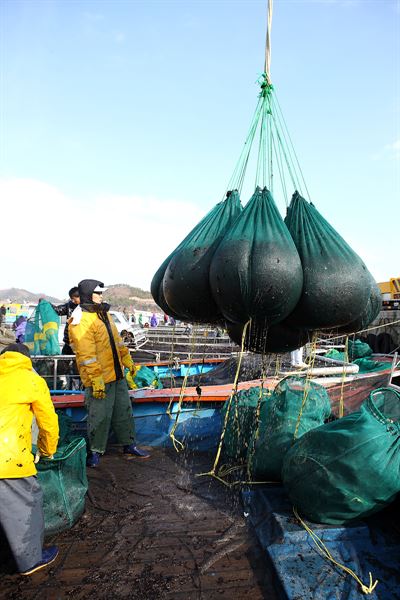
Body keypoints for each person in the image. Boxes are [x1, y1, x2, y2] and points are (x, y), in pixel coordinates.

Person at [68, 279, 150, 468]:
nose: (101, 297)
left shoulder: (104, 314)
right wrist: (96, 380)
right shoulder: (80, 321)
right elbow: (86, 355)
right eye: (98, 294)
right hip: (99, 379)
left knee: (124, 411)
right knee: (99, 415)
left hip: (117, 374)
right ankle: (96, 451)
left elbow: (117, 341)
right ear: (89, 295)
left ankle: (129, 444)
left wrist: (126, 359)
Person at [0, 343, 59, 575]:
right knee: (27, 503)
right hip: (9, 459)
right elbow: (48, 423)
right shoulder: (31, 380)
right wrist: (46, 450)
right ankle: (30, 560)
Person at [52, 287, 80, 355]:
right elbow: (58, 310)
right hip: (68, 341)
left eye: (74, 299)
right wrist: (47, 304)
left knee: (76, 362)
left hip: (80, 342)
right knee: (63, 361)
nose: (73, 301)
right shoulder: (69, 306)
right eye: (71, 299)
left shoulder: (86, 308)